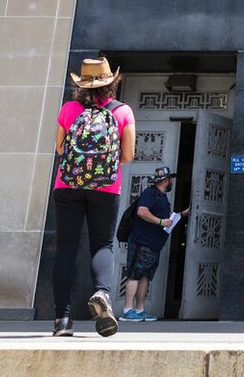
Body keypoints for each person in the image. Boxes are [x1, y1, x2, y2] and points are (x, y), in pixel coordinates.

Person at [51, 57, 135, 337]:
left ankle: (62, 320)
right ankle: (102, 292)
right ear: (111, 83)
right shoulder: (122, 111)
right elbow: (127, 156)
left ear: (81, 85)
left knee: (66, 247)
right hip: (105, 187)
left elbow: (61, 150)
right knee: (102, 244)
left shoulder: (68, 109)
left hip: (67, 186)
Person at [121, 166, 190, 321]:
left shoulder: (162, 197)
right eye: (170, 179)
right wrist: (160, 222)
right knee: (134, 274)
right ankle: (127, 310)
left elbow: (165, 219)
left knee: (146, 276)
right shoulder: (150, 193)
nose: (171, 181)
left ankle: (139, 310)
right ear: (165, 180)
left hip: (154, 244)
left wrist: (180, 214)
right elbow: (142, 211)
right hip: (141, 242)